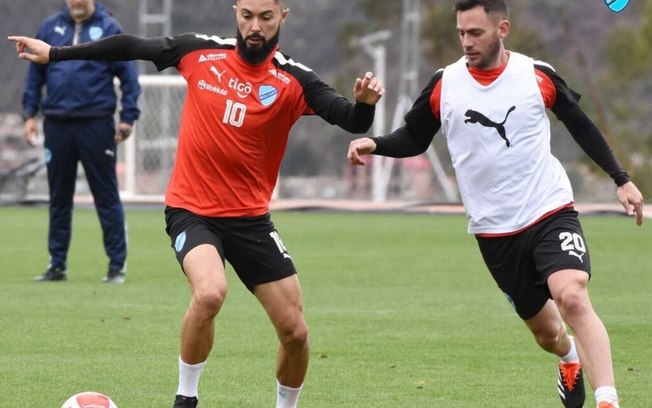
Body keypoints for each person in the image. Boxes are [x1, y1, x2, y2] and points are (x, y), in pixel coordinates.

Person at [10, 0, 384, 406]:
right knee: (209, 293)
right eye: (247, 16)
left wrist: (365, 103)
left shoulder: (295, 80)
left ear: (283, 17)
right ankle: (185, 398)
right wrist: (56, 53)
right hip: (192, 210)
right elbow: (131, 46)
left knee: (295, 332)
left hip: (251, 220)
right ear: (236, 12)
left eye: (266, 17)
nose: (255, 26)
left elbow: (352, 120)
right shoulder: (200, 51)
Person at [346, 1, 644, 407]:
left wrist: (621, 179)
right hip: (494, 230)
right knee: (548, 335)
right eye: (461, 34)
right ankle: (569, 358)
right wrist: (375, 144)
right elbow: (414, 138)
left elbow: (580, 125)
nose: (467, 42)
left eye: (476, 33)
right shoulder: (444, 84)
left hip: (549, 209)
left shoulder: (535, 75)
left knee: (572, 295)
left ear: (502, 28)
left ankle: (609, 399)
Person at [21, 0, 141, 284]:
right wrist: (29, 114)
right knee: (59, 198)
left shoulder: (110, 28)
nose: (76, 1)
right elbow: (34, 76)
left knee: (106, 196)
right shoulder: (49, 28)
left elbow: (129, 78)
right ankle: (57, 264)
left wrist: (127, 118)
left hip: (96, 124)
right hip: (57, 124)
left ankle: (116, 266)